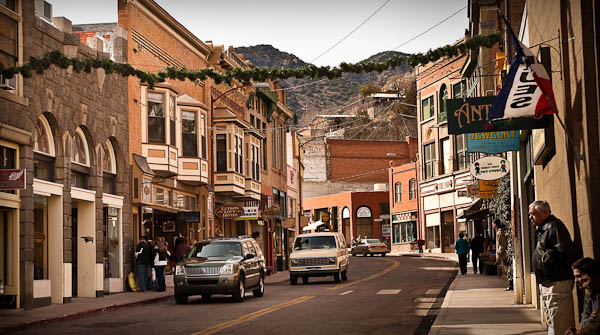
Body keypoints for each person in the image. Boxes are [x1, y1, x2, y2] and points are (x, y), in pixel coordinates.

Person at [529, 200, 577, 335]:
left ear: (545, 213)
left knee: (560, 324)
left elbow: (566, 253)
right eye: (530, 214)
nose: (530, 217)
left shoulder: (553, 227)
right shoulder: (544, 229)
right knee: (553, 322)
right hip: (549, 284)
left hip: (557, 284)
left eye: (533, 214)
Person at [565, 258, 600, 335]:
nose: (576, 280)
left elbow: (596, 326)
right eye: (575, 277)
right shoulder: (588, 293)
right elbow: (585, 320)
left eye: (578, 276)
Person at [493, 219, 511, 289]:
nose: (492, 225)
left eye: (493, 223)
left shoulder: (500, 232)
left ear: (496, 224)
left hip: (503, 254)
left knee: (506, 268)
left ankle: (510, 284)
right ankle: (509, 283)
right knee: (506, 268)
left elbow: (502, 244)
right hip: (504, 253)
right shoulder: (500, 231)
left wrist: (499, 252)